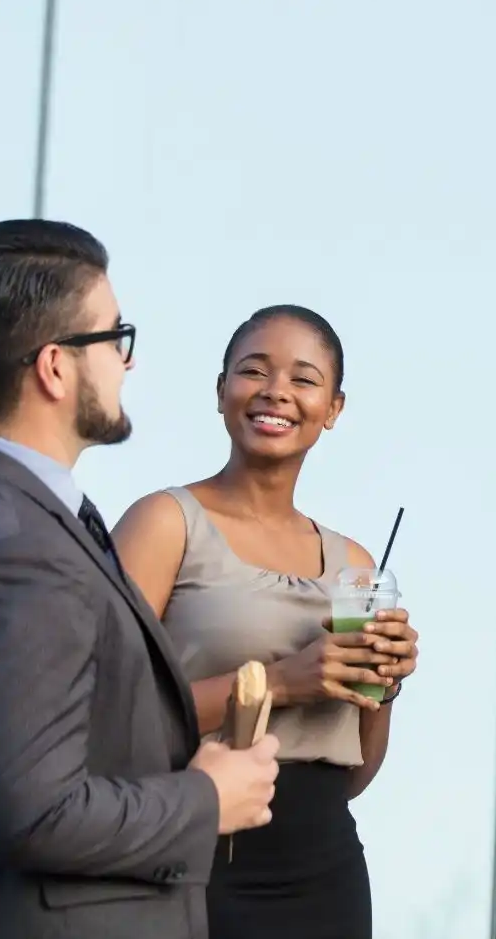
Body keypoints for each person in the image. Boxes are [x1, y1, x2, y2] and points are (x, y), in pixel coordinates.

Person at [0, 219, 280, 939]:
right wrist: (206, 799)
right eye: (114, 336)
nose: (127, 362)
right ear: (55, 367)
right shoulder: (20, 549)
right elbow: (35, 812)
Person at [113, 304, 419, 939]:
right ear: (222, 391)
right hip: (189, 855)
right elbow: (108, 716)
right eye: (254, 370)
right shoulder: (165, 524)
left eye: (304, 379)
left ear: (333, 409)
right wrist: (280, 681)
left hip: (324, 872)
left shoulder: (355, 565)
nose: (276, 390)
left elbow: (355, 772)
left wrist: (383, 688)